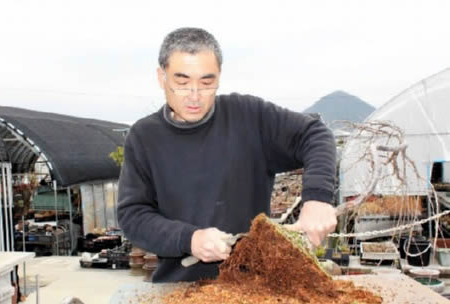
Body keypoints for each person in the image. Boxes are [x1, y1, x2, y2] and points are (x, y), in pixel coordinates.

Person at [117, 27, 337, 282]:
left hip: (253, 288)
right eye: (182, 82)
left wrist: (318, 198)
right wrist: (190, 239)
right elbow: (133, 216)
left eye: (207, 83)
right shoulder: (144, 137)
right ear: (161, 77)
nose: (195, 95)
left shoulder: (248, 117)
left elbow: (314, 134)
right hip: (178, 290)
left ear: (219, 77)